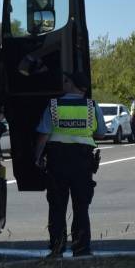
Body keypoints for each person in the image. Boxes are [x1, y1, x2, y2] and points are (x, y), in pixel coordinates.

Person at [34, 73, 103, 257]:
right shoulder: (92, 106)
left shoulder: (54, 106)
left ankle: (57, 248)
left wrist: (37, 158)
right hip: (83, 162)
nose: (63, 83)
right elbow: (101, 133)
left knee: (57, 206)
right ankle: (81, 248)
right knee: (81, 206)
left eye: (67, 81)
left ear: (73, 85)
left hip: (58, 161)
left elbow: (43, 135)